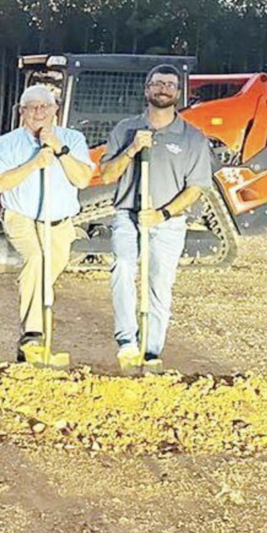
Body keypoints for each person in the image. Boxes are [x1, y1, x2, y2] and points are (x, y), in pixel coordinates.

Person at [99, 64, 212, 373]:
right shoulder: (125, 129)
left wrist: (162, 214)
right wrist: (133, 149)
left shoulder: (192, 138)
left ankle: (151, 351)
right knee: (123, 266)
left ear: (178, 93)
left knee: (160, 284)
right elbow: (107, 175)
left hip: (168, 222)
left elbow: (197, 187)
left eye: (170, 85)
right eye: (157, 83)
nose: (163, 88)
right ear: (147, 89)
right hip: (127, 215)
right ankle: (127, 342)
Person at [0, 84, 94, 361]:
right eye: (32, 107)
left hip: (59, 222)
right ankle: (33, 335)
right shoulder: (6, 144)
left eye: (45, 106)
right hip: (21, 217)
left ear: (55, 110)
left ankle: (30, 350)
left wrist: (60, 149)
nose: (39, 112)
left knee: (46, 273)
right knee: (37, 260)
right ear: (22, 112)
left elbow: (82, 179)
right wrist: (34, 163)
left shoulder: (74, 139)